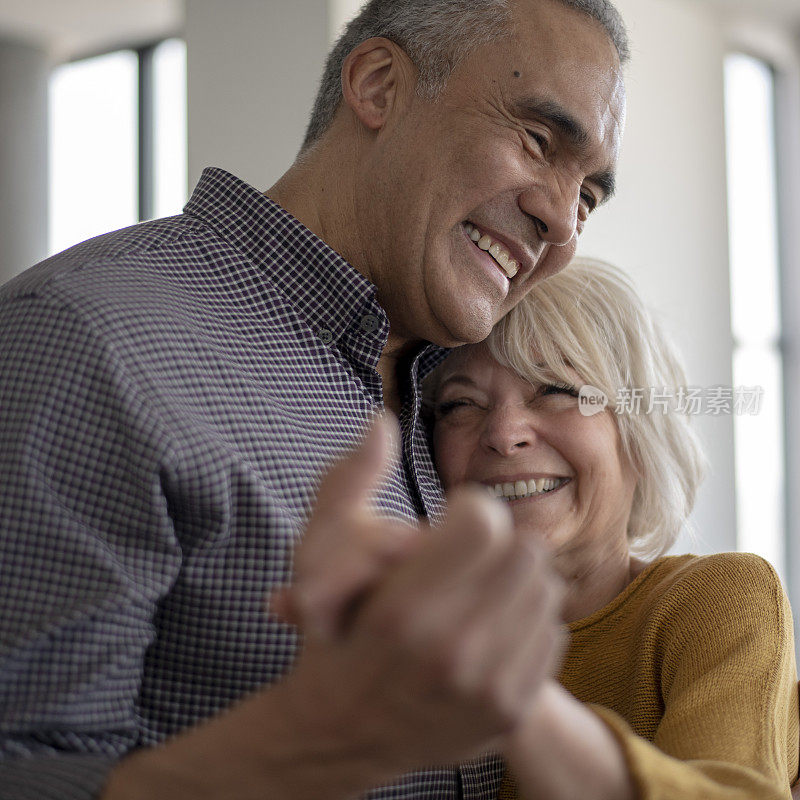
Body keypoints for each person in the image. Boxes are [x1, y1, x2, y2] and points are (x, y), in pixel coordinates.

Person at [0, 1, 627, 798]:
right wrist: (316, 741)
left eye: (589, 200)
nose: (560, 227)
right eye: (539, 141)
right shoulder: (82, 341)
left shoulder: (454, 396)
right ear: (376, 85)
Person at [420, 257, 799, 798]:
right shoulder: (411, 632)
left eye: (556, 389)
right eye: (460, 404)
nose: (503, 434)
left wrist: (521, 705)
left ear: (641, 434)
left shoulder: (717, 600)